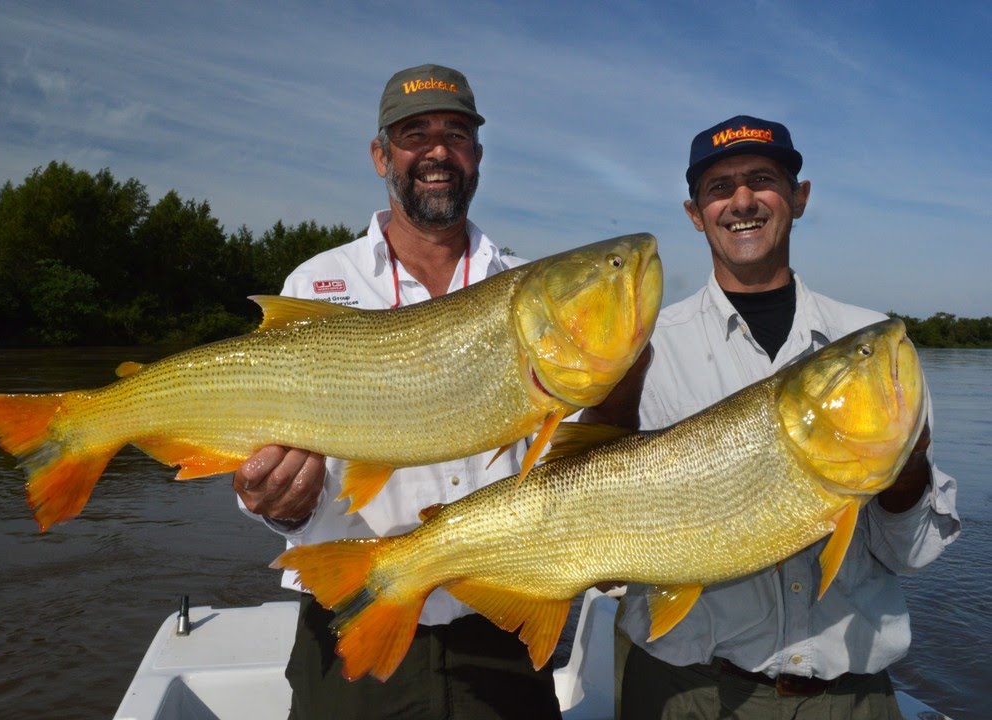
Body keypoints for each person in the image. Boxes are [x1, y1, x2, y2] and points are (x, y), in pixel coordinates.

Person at [589, 115, 961, 719]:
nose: (741, 200)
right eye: (719, 187)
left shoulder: (875, 352)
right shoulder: (639, 350)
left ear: (799, 197)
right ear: (694, 212)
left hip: (848, 696)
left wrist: (909, 469)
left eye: (762, 179)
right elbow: (597, 509)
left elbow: (911, 555)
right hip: (685, 690)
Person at [232, 64, 562, 720]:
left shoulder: (534, 288)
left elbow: (568, 458)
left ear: (478, 157)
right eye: (416, 135)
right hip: (352, 621)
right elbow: (257, 447)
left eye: (457, 134)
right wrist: (277, 505)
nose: (438, 152)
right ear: (381, 154)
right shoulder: (316, 283)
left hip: (499, 629)